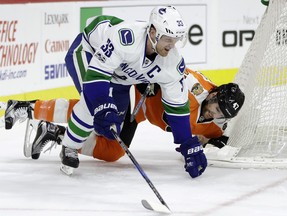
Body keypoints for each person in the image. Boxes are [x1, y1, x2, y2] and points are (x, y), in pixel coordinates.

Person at [5, 6, 208, 178]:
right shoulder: (126, 38)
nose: (172, 46)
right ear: (153, 32)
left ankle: (52, 130)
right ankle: (69, 145)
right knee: (91, 105)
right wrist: (102, 103)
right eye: (167, 39)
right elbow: (96, 77)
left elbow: (177, 105)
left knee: (111, 131)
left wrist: (187, 141)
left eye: (176, 40)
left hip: (119, 77)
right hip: (88, 52)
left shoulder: (172, 62)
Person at [4, 68, 245, 176]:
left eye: (221, 114)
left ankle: (55, 133)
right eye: (215, 109)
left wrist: (210, 145)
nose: (214, 115)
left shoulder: (217, 124)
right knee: (94, 112)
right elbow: (167, 68)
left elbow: (208, 142)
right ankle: (27, 107)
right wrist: (148, 79)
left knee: (112, 152)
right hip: (133, 94)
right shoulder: (193, 86)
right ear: (212, 95)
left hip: (141, 114)